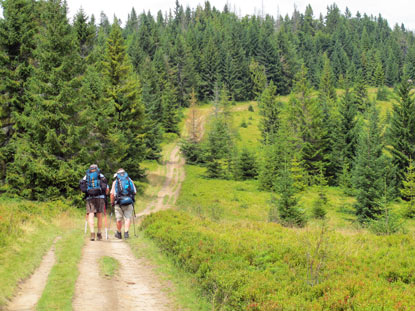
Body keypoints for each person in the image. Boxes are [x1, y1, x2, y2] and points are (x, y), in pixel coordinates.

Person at [80, 164, 108, 241]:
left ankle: (92, 234)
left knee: (91, 214)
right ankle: (99, 234)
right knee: (99, 215)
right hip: (100, 197)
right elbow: (106, 187)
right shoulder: (100, 175)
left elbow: (83, 188)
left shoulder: (86, 175)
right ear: (97, 168)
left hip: (90, 197)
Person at [110, 168, 137, 239]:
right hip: (128, 201)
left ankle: (119, 233)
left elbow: (112, 194)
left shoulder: (115, 182)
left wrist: (112, 202)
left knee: (119, 219)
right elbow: (134, 192)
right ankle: (126, 233)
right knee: (127, 218)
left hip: (118, 202)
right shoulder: (129, 180)